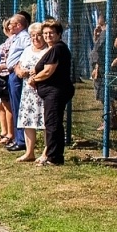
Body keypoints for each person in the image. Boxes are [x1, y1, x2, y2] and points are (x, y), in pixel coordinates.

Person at [31, 19, 75, 166]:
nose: (48, 36)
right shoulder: (53, 49)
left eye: (51, 33)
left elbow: (49, 71)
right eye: (45, 33)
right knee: (52, 122)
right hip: (51, 91)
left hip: (56, 91)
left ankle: (54, 157)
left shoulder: (58, 49)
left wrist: (35, 79)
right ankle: (52, 154)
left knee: (53, 123)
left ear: (59, 34)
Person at [14, 22, 49, 163]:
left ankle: (46, 152)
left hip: (42, 90)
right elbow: (18, 65)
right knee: (28, 121)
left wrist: (35, 76)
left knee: (46, 122)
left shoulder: (48, 50)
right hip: (28, 91)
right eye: (32, 36)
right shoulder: (28, 49)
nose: (35, 38)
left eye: (39, 35)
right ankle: (29, 152)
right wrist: (19, 71)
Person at [0, 14, 30, 149]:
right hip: (10, 72)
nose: (9, 27)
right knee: (14, 106)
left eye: (11, 24)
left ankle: (21, 140)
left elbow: (28, 52)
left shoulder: (24, 38)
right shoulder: (16, 38)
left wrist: (19, 65)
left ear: (19, 25)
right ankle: (17, 138)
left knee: (17, 106)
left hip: (17, 74)